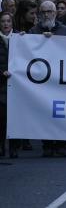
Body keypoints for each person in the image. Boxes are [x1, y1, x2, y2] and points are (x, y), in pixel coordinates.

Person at [0, 11, 16, 158]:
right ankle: (1, 147)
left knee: (16, 117)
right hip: (1, 85)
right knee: (2, 118)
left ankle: (13, 148)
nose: (6, 24)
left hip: (17, 86)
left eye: (8, 21)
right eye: (3, 21)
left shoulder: (20, 38)